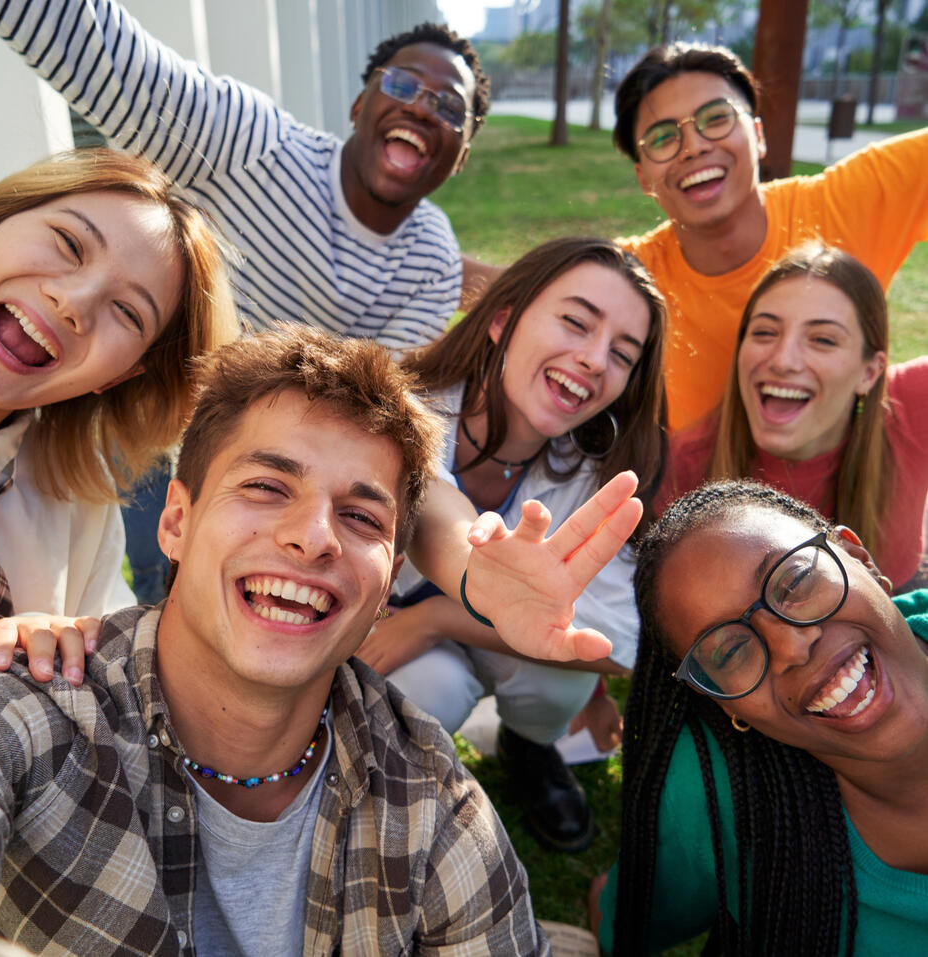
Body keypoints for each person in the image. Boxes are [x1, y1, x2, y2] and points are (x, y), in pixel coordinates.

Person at [0, 324, 645, 954]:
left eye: (359, 515)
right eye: (266, 486)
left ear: (389, 583)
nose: (314, 536)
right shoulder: (22, 712)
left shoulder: (433, 801)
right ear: (175, 520)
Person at [358, 236, 667, 853]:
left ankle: (530, 746)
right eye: (576, 322)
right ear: (502, 319)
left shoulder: (600, 471)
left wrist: (439, 618)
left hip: (475, 635)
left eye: (622, 354)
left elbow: (622, 640)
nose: (593, 359)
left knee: (562, 682)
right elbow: (434, 508)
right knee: (427, 692)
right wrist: (462, 596)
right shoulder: (397, 404)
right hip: (377, 637)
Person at [0, 0, 490, 348]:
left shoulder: (432, 260)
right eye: (402, 84)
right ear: (359, 105)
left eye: (448, 108)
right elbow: (99, 49)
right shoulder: (252, 141)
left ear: (462, 156)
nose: (422, 109)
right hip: (147, 411)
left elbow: (377, 398)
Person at [592, 479, 928, 955]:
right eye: (730, 652)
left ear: (860, 559)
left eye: (794, 583)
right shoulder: (714, 796)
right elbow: (625, 920)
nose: (792, 646)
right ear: (726, 704)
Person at [0, 148, 236, 644]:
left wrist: (56, 669)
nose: (74, 302)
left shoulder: (77, 502)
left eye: (129, 313)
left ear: (117, 377)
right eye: (69, 243)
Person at [610, 42, 928, 429]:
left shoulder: (845, 203)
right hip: (705, 488)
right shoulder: (628, 283)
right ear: (643, 177)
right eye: (662, 138)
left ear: (758, 135)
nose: (693, 147)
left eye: (716, 118)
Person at [662, 244, 928, 591]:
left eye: (822, 340)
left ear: (869, 372)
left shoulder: (909, 404)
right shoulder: (680, 471)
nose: (783, 360)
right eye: (765, 332)